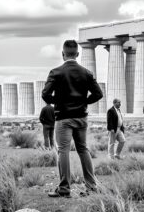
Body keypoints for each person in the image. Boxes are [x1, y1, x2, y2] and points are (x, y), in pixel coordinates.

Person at [42, 40, 103, 198]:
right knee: (83, 149)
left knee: (63, 151)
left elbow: (45, 94)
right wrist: (84, 102)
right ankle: (91, 186)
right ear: (77, 54)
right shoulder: (86, 73)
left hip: (64, 118)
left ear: (63, 54)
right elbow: (98, 94)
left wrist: (59, 102)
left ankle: (64, 188)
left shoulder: (56, 72)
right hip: (81, 117)